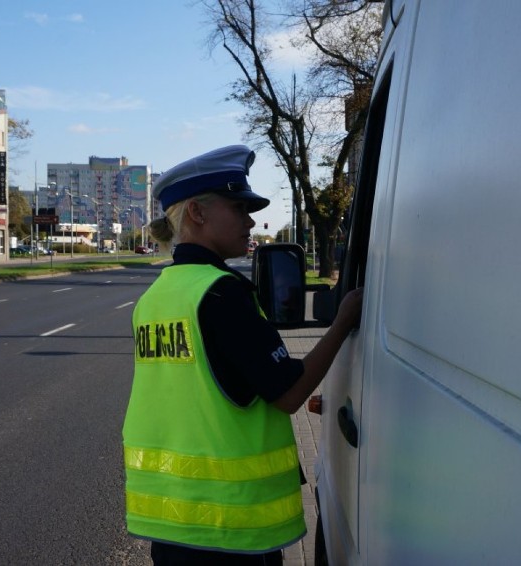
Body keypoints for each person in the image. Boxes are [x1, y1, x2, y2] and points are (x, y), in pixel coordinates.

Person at [122, 145, 363, 565]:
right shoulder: (221, 291)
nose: (250, 221)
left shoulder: (157, 295)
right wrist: (342, 323)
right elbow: (288, 393)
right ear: (197, 213)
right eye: (239, 208)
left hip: (173, 525)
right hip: (232, 532)